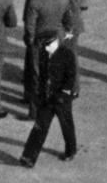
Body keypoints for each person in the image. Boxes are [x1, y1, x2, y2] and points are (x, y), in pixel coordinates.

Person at [22, 0, 74, 121]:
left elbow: (30, 27)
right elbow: (68, 22)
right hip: (57, 39)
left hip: (39, 41)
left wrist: (31, 43)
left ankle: (34, 112)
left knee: (37, 76)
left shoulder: (35, 2)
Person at [18, 31, 77, 168]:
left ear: (55, 42)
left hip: (61, 99)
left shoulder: (67, 54)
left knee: (66, 125)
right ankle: (28, 157)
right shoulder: (44, 54)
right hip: (47, 99)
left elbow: (71, 78)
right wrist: (39, 95)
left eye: (47, 46)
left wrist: (63, 95)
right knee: (40, 127)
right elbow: (42, 77)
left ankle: (71, 150)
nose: (44, 49)